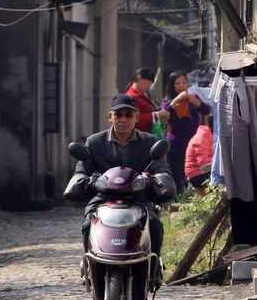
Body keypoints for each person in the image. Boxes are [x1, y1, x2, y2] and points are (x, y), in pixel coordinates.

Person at [65, 93, 176, 268]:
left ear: (137, 117)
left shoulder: (150, 142)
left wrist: (156, 181)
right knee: (88, 223)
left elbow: (162, 170)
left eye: (129, 114)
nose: (123, 119)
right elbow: (80, 172)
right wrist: (88, 182)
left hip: (139, 200)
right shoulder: (94, 143)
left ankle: (155, 266)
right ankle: (90, 264)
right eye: (118, 114)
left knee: (154, 223)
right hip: (103, 200)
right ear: (110, 117)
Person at [160, 70, 211, 193]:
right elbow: (165, 113)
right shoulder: (166, 101)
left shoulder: (193, 97)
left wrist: (194, 101)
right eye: (178, 83)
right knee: (177, 177)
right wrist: (176, 100)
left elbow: (206, 110)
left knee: (194, 174)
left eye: (184, 82)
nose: (181, 86)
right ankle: (176, 200)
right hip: (176, 145)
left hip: (194, 144)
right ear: (172, 85)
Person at [124, 67, 167, 135]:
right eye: (148, 82)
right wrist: (157, 115)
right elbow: (135, 119)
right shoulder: (131, 97)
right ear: (139, 79)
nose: (149, 86)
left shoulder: (143, 95)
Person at [184, 115, 213, 189]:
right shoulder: (203, 135)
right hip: (197, 174)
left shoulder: (210, 135)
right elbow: (203, 164)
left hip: (203, 171)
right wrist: (219, 162)